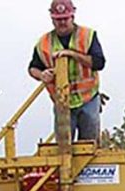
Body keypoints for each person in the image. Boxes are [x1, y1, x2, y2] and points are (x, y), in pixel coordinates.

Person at [28, 0, 106, 142]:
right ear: (52, 19)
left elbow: (99, 63)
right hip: (62, 102)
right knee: (63, 147)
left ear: (72, 17)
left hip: (88, 99)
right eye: (58, 20)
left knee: (89, 146)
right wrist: (41, 75)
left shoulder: (87, 36)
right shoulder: (44, 43)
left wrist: (72, 54)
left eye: (65, 18)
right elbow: (33, 68)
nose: (62, 22)